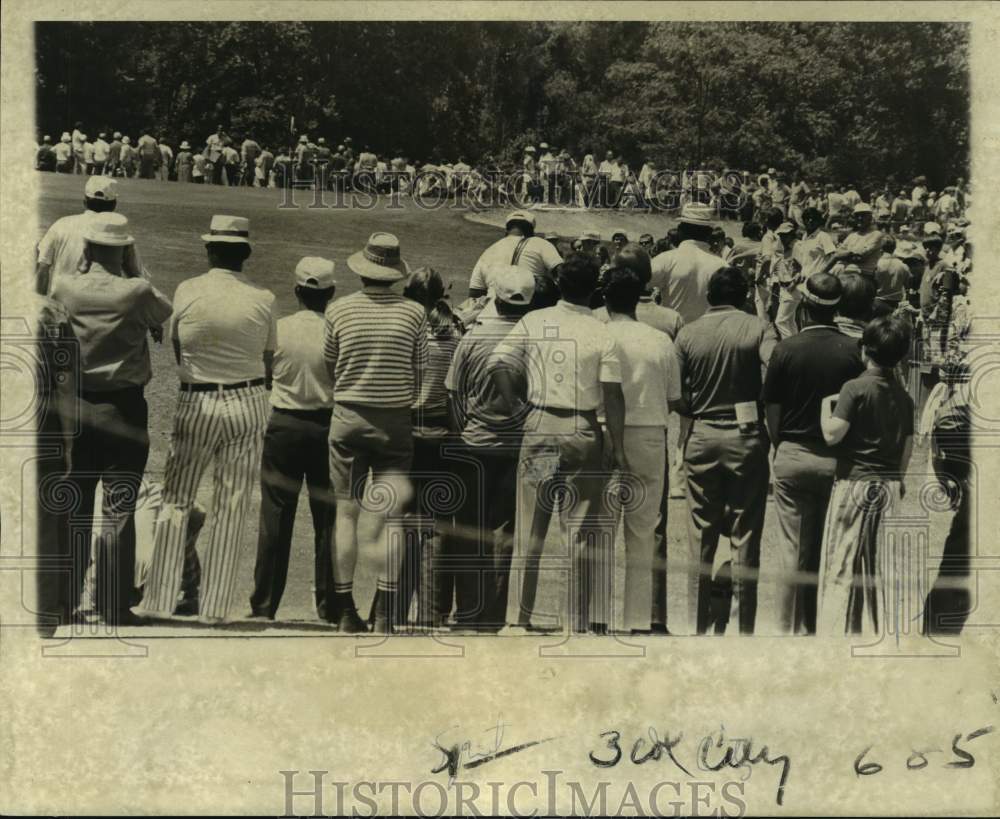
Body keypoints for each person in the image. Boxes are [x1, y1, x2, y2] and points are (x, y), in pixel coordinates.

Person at [140, 215, 276, 623]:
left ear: (210, 251)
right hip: (248, 398)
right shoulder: (264, 298)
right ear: (245, 255)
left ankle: (159, 600)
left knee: (176, 498)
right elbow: (269, 360)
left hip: (198, 398)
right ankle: (215, 608)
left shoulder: (188, 289)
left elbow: (180, 347)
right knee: (232, 504)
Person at [493, 253, 626, 635]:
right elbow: (613, 395)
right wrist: (615, 445)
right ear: (594, 290)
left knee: (530, 526)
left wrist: (517, 408)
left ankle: (518, 619)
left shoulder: (535, 320)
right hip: (582, 431)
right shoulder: (602, 331)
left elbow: (498, 362)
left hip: (540, 426)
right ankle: (574, 621)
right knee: (579, 530)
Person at [52, 213, 173, 626]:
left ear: (87, 248)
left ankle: (65, 601)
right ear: (124, 249)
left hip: (78, 406)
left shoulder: (65, 285)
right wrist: (134, 267)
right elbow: (162, 312)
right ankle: (113, 604)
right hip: (123, 405)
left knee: (75, 507)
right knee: (120, 508)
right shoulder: (136, 289)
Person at [323, 233, 428, 634]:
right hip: (395, 421)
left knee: (345, 514)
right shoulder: (414, 313)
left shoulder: (338, 310)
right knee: (392, 519)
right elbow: (418, 368)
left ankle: (346, 609)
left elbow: (331, 364)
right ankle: (384, 610)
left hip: (349, 417)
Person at [673, 266, 778, 634]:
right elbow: (776, 365)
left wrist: (694, 408)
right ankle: (744, 628)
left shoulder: (687, 333)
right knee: (745, 538)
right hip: (746, 435)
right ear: (745, 296)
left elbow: (678, 394)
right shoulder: (758, 328)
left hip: (702, 433)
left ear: (709, 296)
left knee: (699, 539)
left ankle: (696, 626)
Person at [761, 273, 864, 635]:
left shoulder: (785, 349)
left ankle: (788, 633)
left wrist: (780, 445)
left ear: (804, 305)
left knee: (793, 551)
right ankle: (825, 629)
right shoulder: (855, 351)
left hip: (794, 453)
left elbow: (771, 410)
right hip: (839, 460)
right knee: (831, 551)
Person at [445, 266, 536, 631]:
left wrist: (459, 431)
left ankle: (467, 610)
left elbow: (454, 393)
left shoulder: (473, 337)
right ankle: (493, 614)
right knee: (504, 532)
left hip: (475, 441)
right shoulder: (536, 337)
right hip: (517, 446)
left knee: (469, 529)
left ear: (495, 296)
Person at [250, 258, 338, 622]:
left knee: (275, 515)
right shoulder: (337, 332)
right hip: (327, 425)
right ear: (331, 294)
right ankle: (331, 605)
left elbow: (266, 375)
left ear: (297, 291)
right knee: (328, 521)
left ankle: (264, 606)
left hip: (284, 423)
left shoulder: (280, 328)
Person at [817, 315, 914, 635]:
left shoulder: (853, 388)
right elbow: (906, 451)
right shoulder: (905, 397)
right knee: (880, 568)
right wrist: (897, 481)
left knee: (841, 564)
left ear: (865, 352)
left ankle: (834, 633)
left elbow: (833, 435)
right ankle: (877, 634)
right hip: (888, 487)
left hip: (853, 485)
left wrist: (824, 406)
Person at [599, 267, 682, 633]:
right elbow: (673, 396)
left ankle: (596, 616)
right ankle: (638, 619)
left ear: (606, 298)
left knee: (601, 528)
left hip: (606, 432)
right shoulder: (659, 339)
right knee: (644, 531)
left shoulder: (597, 335)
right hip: (649, 432)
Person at [394, 266, 463, 630]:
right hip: (443, 432)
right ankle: (433, 612)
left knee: (404, 523)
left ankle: (393, 609)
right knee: (437, 527)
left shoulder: (405, 331)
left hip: (408, 431)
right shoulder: (454, 334)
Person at [36, 176, 125, 296]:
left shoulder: (61, 224)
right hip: (101, 307)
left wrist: (41, 304)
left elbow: (43, 267)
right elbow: (136, 274)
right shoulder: (118, 233)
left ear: (85, 202)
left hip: (60, 304)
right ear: (114, 205)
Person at [650, 203, 726, 327]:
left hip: (672, 332)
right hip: (707, 335)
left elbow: (639, 284)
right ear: (709, 233)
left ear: (680, 230)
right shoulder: (722, 265)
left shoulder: (666, 259)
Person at [467, 211, 562, 297]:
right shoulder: (541, 243)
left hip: (494, 310)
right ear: (531, 231)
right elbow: (564, 274)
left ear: (507, 230)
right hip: (531, 309)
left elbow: (475, 292)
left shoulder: (488, 251)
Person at [834, 203, 884, 276]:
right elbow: (837, 253)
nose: (860, 218)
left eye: (863, 215)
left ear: (870, 218)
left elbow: (862, 257)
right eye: (857, 216)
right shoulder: (852, 236)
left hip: (865, 273)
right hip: (846, 270)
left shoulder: (876, 234)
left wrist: (845, 255)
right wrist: (852, 254)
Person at [771, 222, 801, 339]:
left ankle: (788, 344)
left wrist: (793, 284)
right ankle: (796, 343)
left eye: (786, 235)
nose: (783, 238)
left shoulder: (797, 246)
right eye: (781, 235)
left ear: (792, 234)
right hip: (785, 287)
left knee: (780, 321)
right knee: (790, 320)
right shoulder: (786, 246)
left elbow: (803, 268)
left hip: (792, 287)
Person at [873, 235, 912, 315]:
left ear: (880, 248)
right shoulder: (903, 266)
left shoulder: (875, 264)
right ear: (894, 248)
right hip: (896, 305)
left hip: (877, 302)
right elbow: (909, 286)